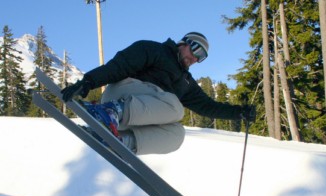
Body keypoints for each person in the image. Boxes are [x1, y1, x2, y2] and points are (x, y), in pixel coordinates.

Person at [61, 32, 256, 155]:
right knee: (175, 106)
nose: (195, 58)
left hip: (139, 113)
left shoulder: (186, 82)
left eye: (201, 57)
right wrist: (87, 82)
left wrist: (238, 113)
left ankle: (121, 142)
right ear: (184, 43)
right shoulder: (154, 50)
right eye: (195, 49)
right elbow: (119, 66)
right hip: (123, 92)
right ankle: (110, 111)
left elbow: (207, 106)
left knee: (177, 134)